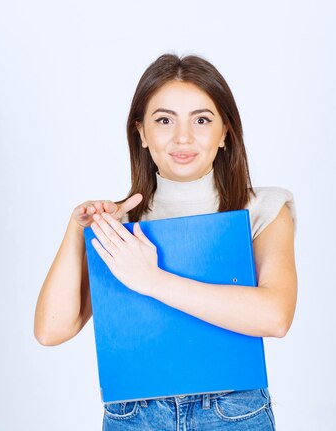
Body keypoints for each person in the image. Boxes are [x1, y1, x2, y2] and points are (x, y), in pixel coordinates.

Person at [34, 53, 297, 431]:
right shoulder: (119, 224)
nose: (183, 137)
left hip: (231, 413)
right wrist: (78, 230)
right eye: (164, 120)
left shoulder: (263, 209)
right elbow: (51, 330)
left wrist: (152, 279)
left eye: (202, 120)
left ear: (225, 132)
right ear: (140, 132)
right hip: (135, 415)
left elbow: (275, 316)